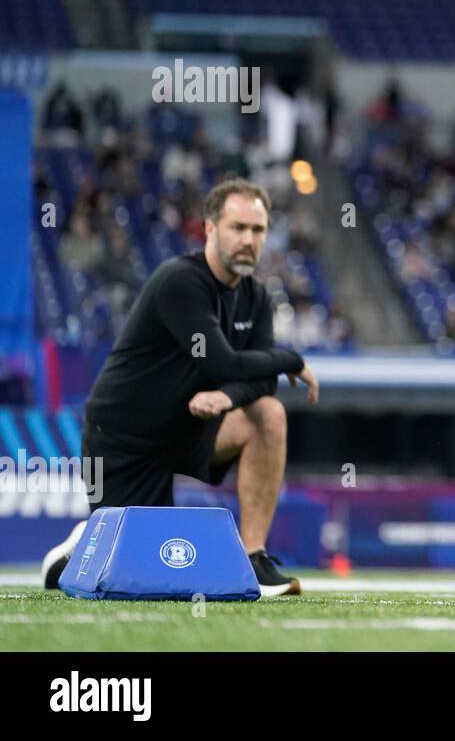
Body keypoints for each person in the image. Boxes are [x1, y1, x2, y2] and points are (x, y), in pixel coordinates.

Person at [40, 178, 319, 597]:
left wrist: (228, 396)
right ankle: (82, 543)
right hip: (125, 439)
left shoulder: (256, 296)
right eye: (237, 228)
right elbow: (226, 361)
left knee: (268, 413)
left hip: (187, 428)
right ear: (209, 228)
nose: (248, 240)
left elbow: (257, 380)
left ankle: (255, 557)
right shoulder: (180, 281)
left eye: (257, 230)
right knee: (134, 575)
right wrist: (292, 359)